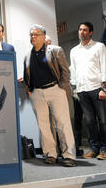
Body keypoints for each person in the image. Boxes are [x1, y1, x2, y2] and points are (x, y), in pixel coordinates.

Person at [23, 24, 76, 167]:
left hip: (55, 89)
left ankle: (68, 155)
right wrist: (29, 90)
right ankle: (50, 154)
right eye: (31, 35)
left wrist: (63, 89)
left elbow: (65, 71)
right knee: (44, 126)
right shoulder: (28, 55)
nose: (33, 37)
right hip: (37, 93)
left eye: (36, 34)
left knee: (62, 124)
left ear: (44, 36)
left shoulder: (55, 51)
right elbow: (26, 74)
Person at [70, 22, 106, 160]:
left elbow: (105, 68)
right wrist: (75, 90)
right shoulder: (74, 50)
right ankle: (94, 149)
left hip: (97, 88)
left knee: (103, 121)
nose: (82, 32)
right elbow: (74, 72)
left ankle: (105, 149)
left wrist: (104, 88)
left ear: (90, 32)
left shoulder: (99, 47)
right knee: (89, 122)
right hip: (82, 90)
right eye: (80, 29)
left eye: (85, 30)